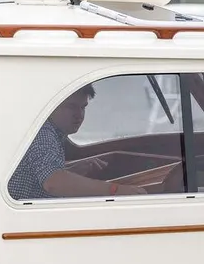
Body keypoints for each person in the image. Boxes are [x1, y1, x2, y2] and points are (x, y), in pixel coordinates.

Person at [8, 84, 148, 200]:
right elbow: (53, 183)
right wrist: (116, 190)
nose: (79, 115)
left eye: (83, 107)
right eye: (71, 107)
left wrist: (72, 170)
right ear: (50, 105)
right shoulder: (43, 133)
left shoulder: (53, 131)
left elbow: (41, 174)